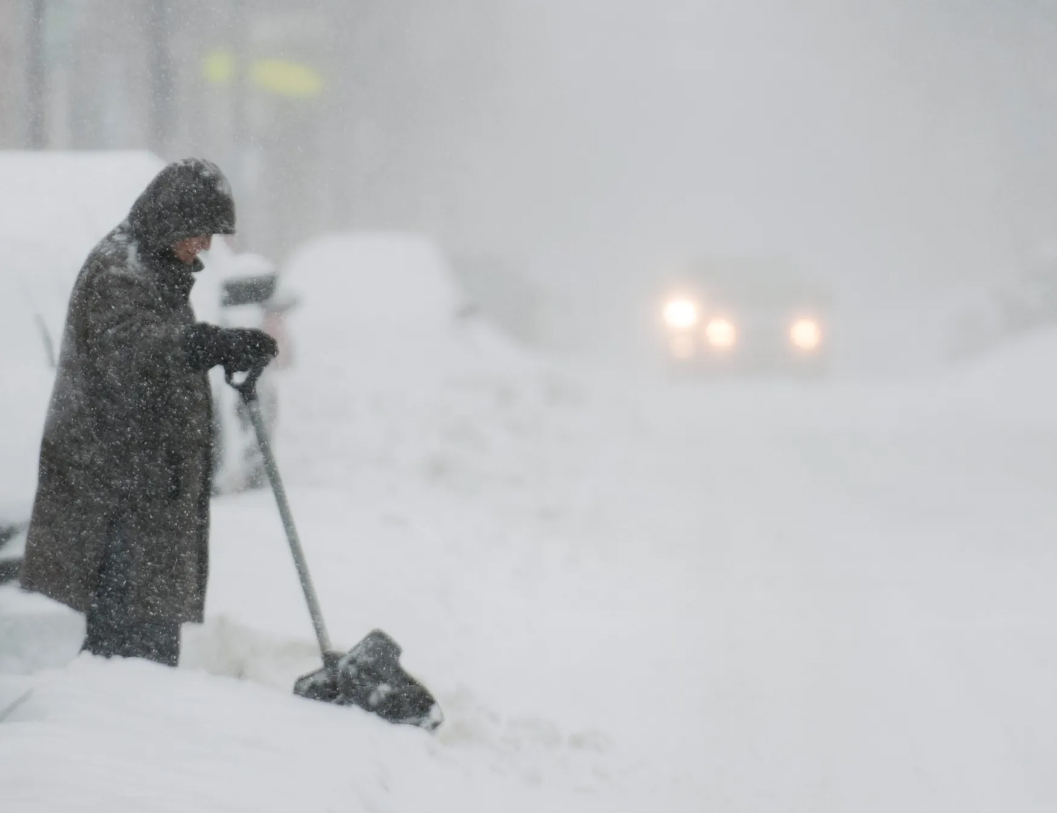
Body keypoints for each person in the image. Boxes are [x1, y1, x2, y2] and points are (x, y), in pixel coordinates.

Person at [19, 158, 278, 667]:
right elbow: (135, 352)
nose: (207, 245)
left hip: (143, 492)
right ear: (173, 221)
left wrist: (216, 347)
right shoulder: (120, 270)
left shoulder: (155, 267)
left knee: (145, 643)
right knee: (127, 652)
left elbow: (161, 350)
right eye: (201, 231)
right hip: (116, 497)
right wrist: (207, 344)